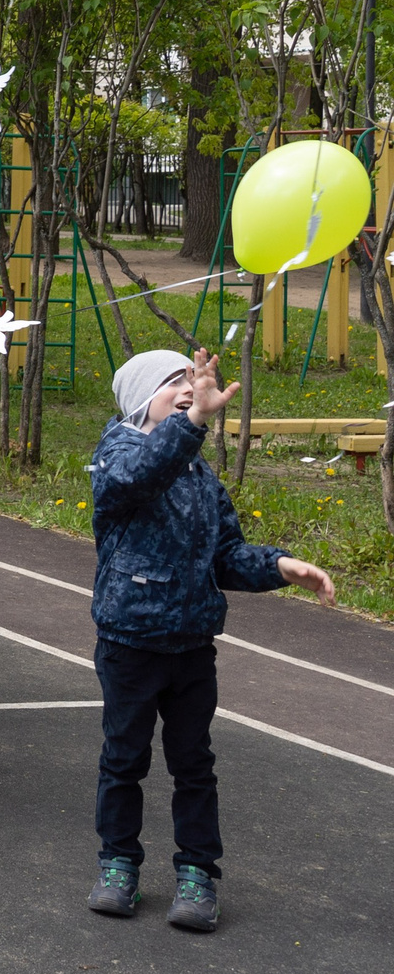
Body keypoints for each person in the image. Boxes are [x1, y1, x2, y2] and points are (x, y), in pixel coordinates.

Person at [82, 348, 335, 932]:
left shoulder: (202, 478)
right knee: (123, 760)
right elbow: (138, 476)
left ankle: (198, 872)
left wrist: (280, 567)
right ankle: (118, 862)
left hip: (193, 644)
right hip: (130, 641)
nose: (193, 388)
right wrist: (191, 423)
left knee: (194, 764)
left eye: (195, 380)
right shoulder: (116, 452)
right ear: (144, 399)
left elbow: (225, 556)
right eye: (177, 382)